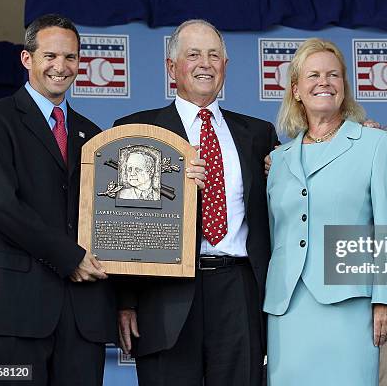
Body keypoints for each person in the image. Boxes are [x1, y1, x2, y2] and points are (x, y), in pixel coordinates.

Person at [115, 19, 278, 386]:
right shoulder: (138, 132)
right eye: (193, 55)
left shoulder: (259, 134)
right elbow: (122, 226)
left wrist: (359, 130)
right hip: (164, 292)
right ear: (172, 68)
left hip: (239, 291)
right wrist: (125, 301)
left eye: (213, 55)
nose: (205, 63)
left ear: (225, 66)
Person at [0, 14, 116, 385]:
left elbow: (110, 215)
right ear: (27, 59)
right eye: (50, 56)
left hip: (83, 317)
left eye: (70, 58)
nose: (60, 67)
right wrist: (71, 258)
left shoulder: (93, 135)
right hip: (13, 313)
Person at [263, 38, 387, 385]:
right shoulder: (278, 159)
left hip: (349, 306)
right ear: (296, 90)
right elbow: (273, 233)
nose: (323, 82)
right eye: (313, 75)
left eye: (333, 75)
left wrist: (386, 299)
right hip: (287, 308)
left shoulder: (376, 145)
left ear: (344, 86)